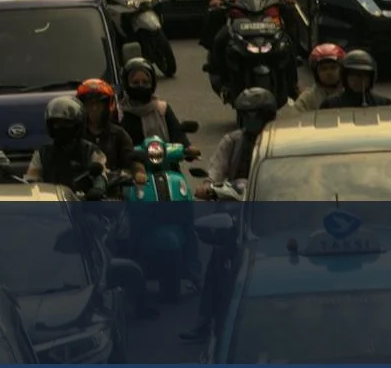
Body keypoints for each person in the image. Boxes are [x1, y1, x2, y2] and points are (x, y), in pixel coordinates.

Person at [181, 88, 277, 343]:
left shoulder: (278, 141)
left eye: (257, 115)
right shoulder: (232, 141)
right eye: (247, 115)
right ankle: (204, 320)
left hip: (272, 209)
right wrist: (208, 187)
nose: (252, 121)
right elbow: (215, 173)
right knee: (218, 261)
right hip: (235, 210)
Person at [25, 96, 107, 190]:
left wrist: (98, 188)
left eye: (66, 124)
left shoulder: (91, 151)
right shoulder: (42, 153)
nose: (60, 128)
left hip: (83, 201)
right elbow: (31, 180)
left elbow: (101, 175)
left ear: (78, 125)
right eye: (56, 124)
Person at [118, 58, 196, 155]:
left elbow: (176, 134)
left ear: (152, 84)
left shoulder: (162, 109)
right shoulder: (119, 113)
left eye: (145, 82)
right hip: (131, 167)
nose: (141, 86)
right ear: (127, 84)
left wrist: (188, 148)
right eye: (135, 83)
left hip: (165, 163)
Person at [76, 78, 145, 184]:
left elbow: (131, 158)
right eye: (90, 104)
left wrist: (138, 172)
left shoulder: (118, 134)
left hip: (114, 190)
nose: (94, 109)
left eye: (98, 104)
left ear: (107, 106)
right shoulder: (76, 134)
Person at [320, 49, 391, 108]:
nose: (358, 80)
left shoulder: (383, 104)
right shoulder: (330, 104)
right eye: (353, 75)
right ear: (345, 77)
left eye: (363, 75)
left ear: (371, 78)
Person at [292, 43, 347, 111]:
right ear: (316, 73)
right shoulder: (307, 99)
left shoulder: (350, 95)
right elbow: (296, 118)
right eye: (323, 69)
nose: (328, 72)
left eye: (333, 67)